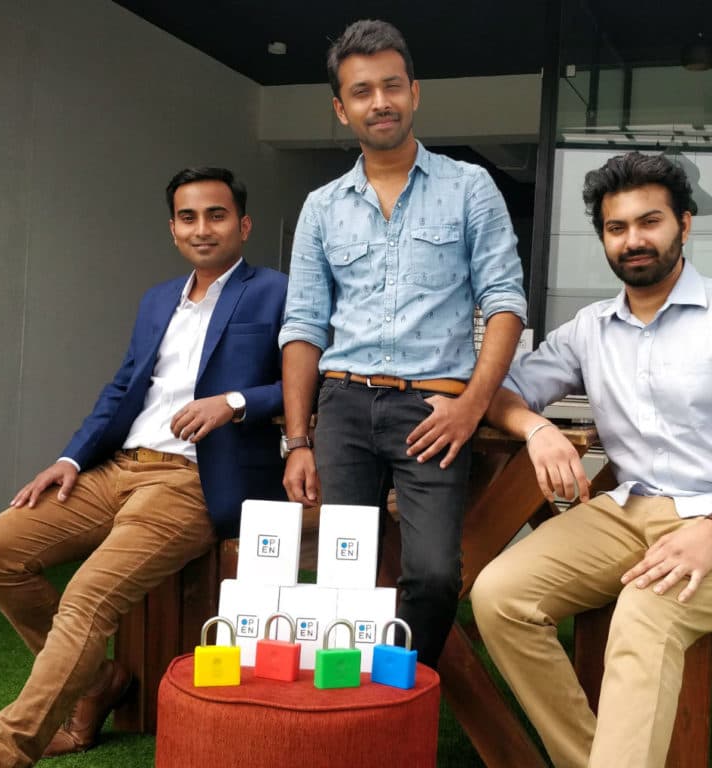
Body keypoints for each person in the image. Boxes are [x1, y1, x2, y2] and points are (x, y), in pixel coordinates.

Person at [471, 151, 712, 768]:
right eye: (617, 227)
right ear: (603, 239)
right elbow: (500, 392)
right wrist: (537, 429)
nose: (633, 239)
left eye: (649, 221)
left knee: (647, 608)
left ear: (684, 224)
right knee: (499, 595)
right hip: (628, 511)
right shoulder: (590, 329)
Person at [0, 167, 287, 767]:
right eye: (188, 217)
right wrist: (69, 459)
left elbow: (313, 380)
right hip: (116, 469)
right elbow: (122, 389)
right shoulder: (158, 299)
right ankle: (96, 682)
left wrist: (235, 402)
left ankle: (1, 754)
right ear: (173, 229)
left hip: (191, 481)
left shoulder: (277, 291)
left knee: (85, 600)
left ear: (243, 225)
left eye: (216, 215)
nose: (202, 228)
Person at [279, 19, 527, 667]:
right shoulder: (321, 207)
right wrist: (298, 441)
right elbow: (303, 325)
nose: (380, 102)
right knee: (344, 575)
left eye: (392, 86)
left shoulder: (469, 187)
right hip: (343, 407)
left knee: (436, 575)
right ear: (342, 109)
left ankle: (398, 694)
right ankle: (351, 700)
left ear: (414, 93)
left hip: (433, 410)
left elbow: (505, 302)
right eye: (362, 91)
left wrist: (473, 406)